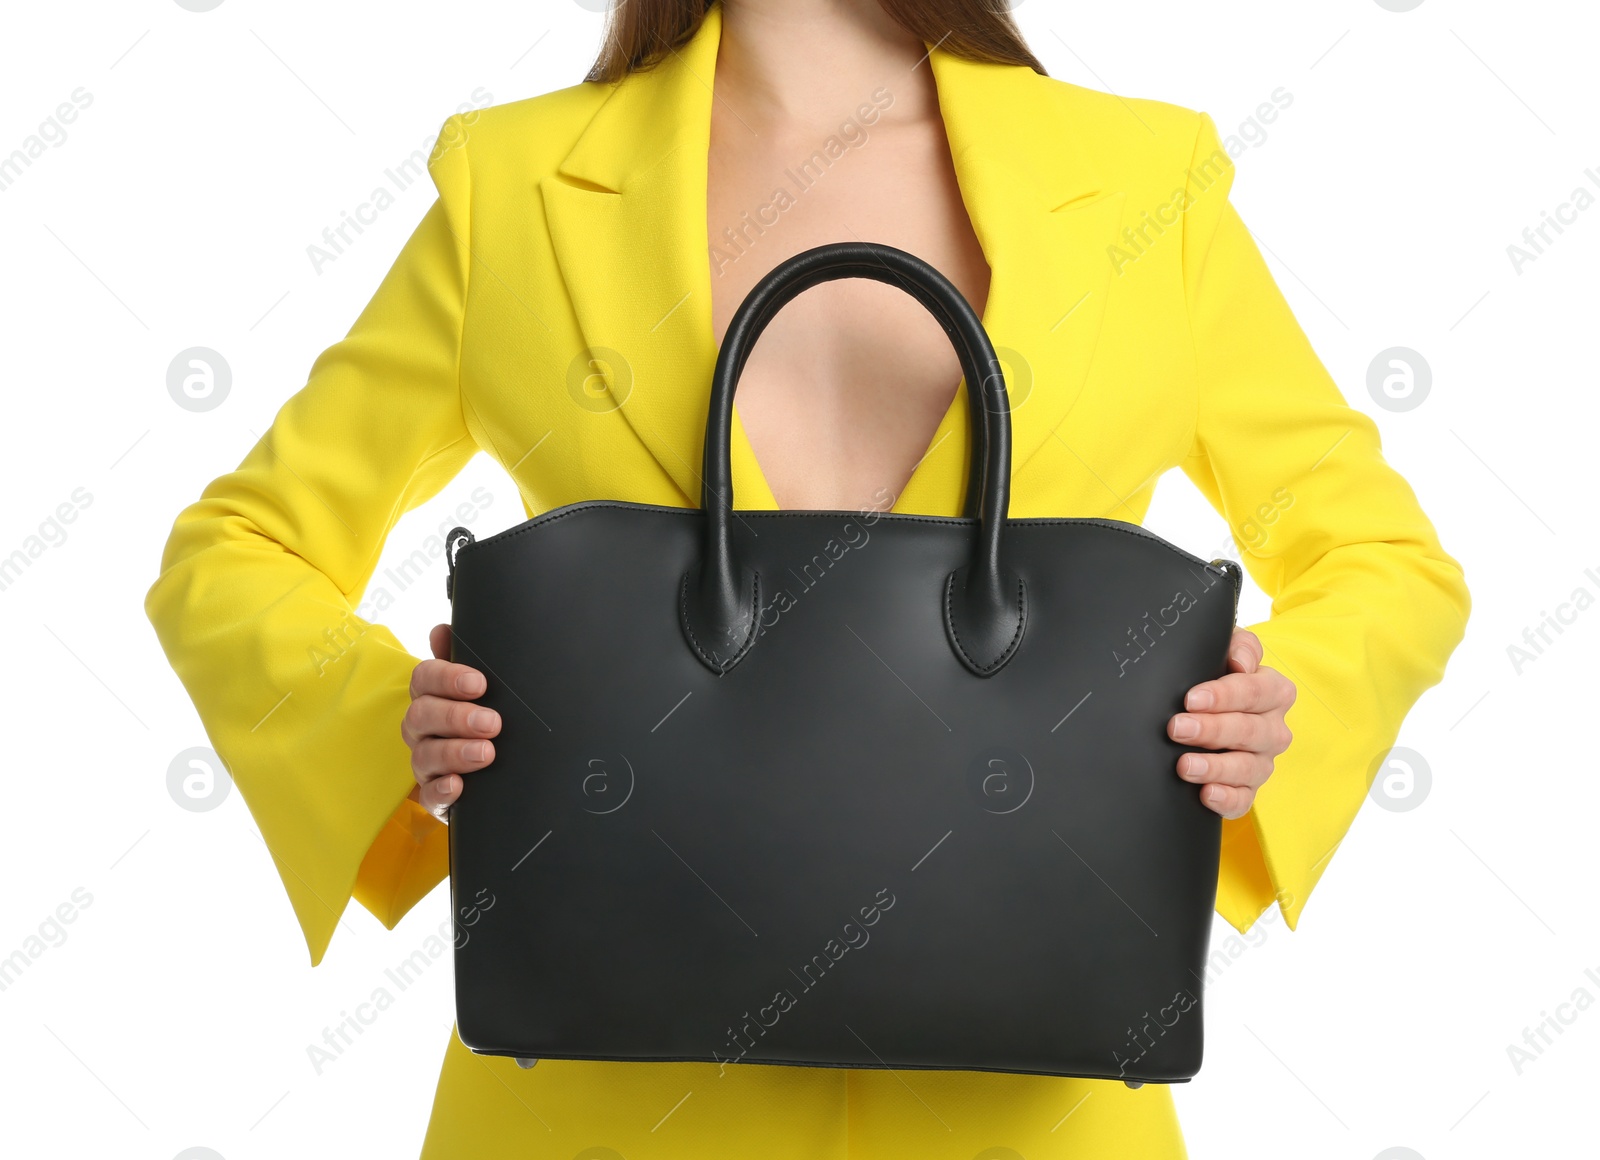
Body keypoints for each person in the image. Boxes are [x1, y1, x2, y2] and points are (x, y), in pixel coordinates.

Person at [145, 1, 1470, 1156]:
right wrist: (391, 729)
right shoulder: (519, 185)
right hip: (603, 1108)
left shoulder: (1141, 183)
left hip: (1042, 1101)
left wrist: (1264, 713)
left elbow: (1381, 559)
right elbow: (234, 554)